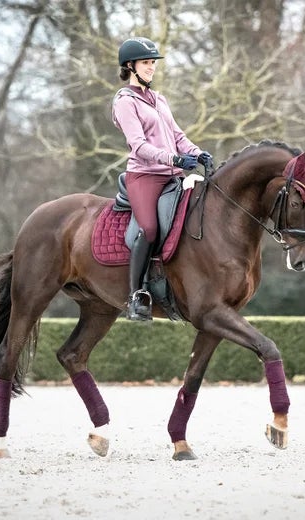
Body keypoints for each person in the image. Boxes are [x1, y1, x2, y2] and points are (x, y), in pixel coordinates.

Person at [110, 37, 212, 321]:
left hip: (173, 176)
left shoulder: (159, 99)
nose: (151, 67)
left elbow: (178, 136)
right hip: (144, 176)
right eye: (146, 62)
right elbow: (138, 145)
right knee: (150, 229)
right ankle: (136, 296)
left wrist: (197, 153)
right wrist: (174, 160)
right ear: (130, 66)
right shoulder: (125, 102)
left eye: (153, 62)